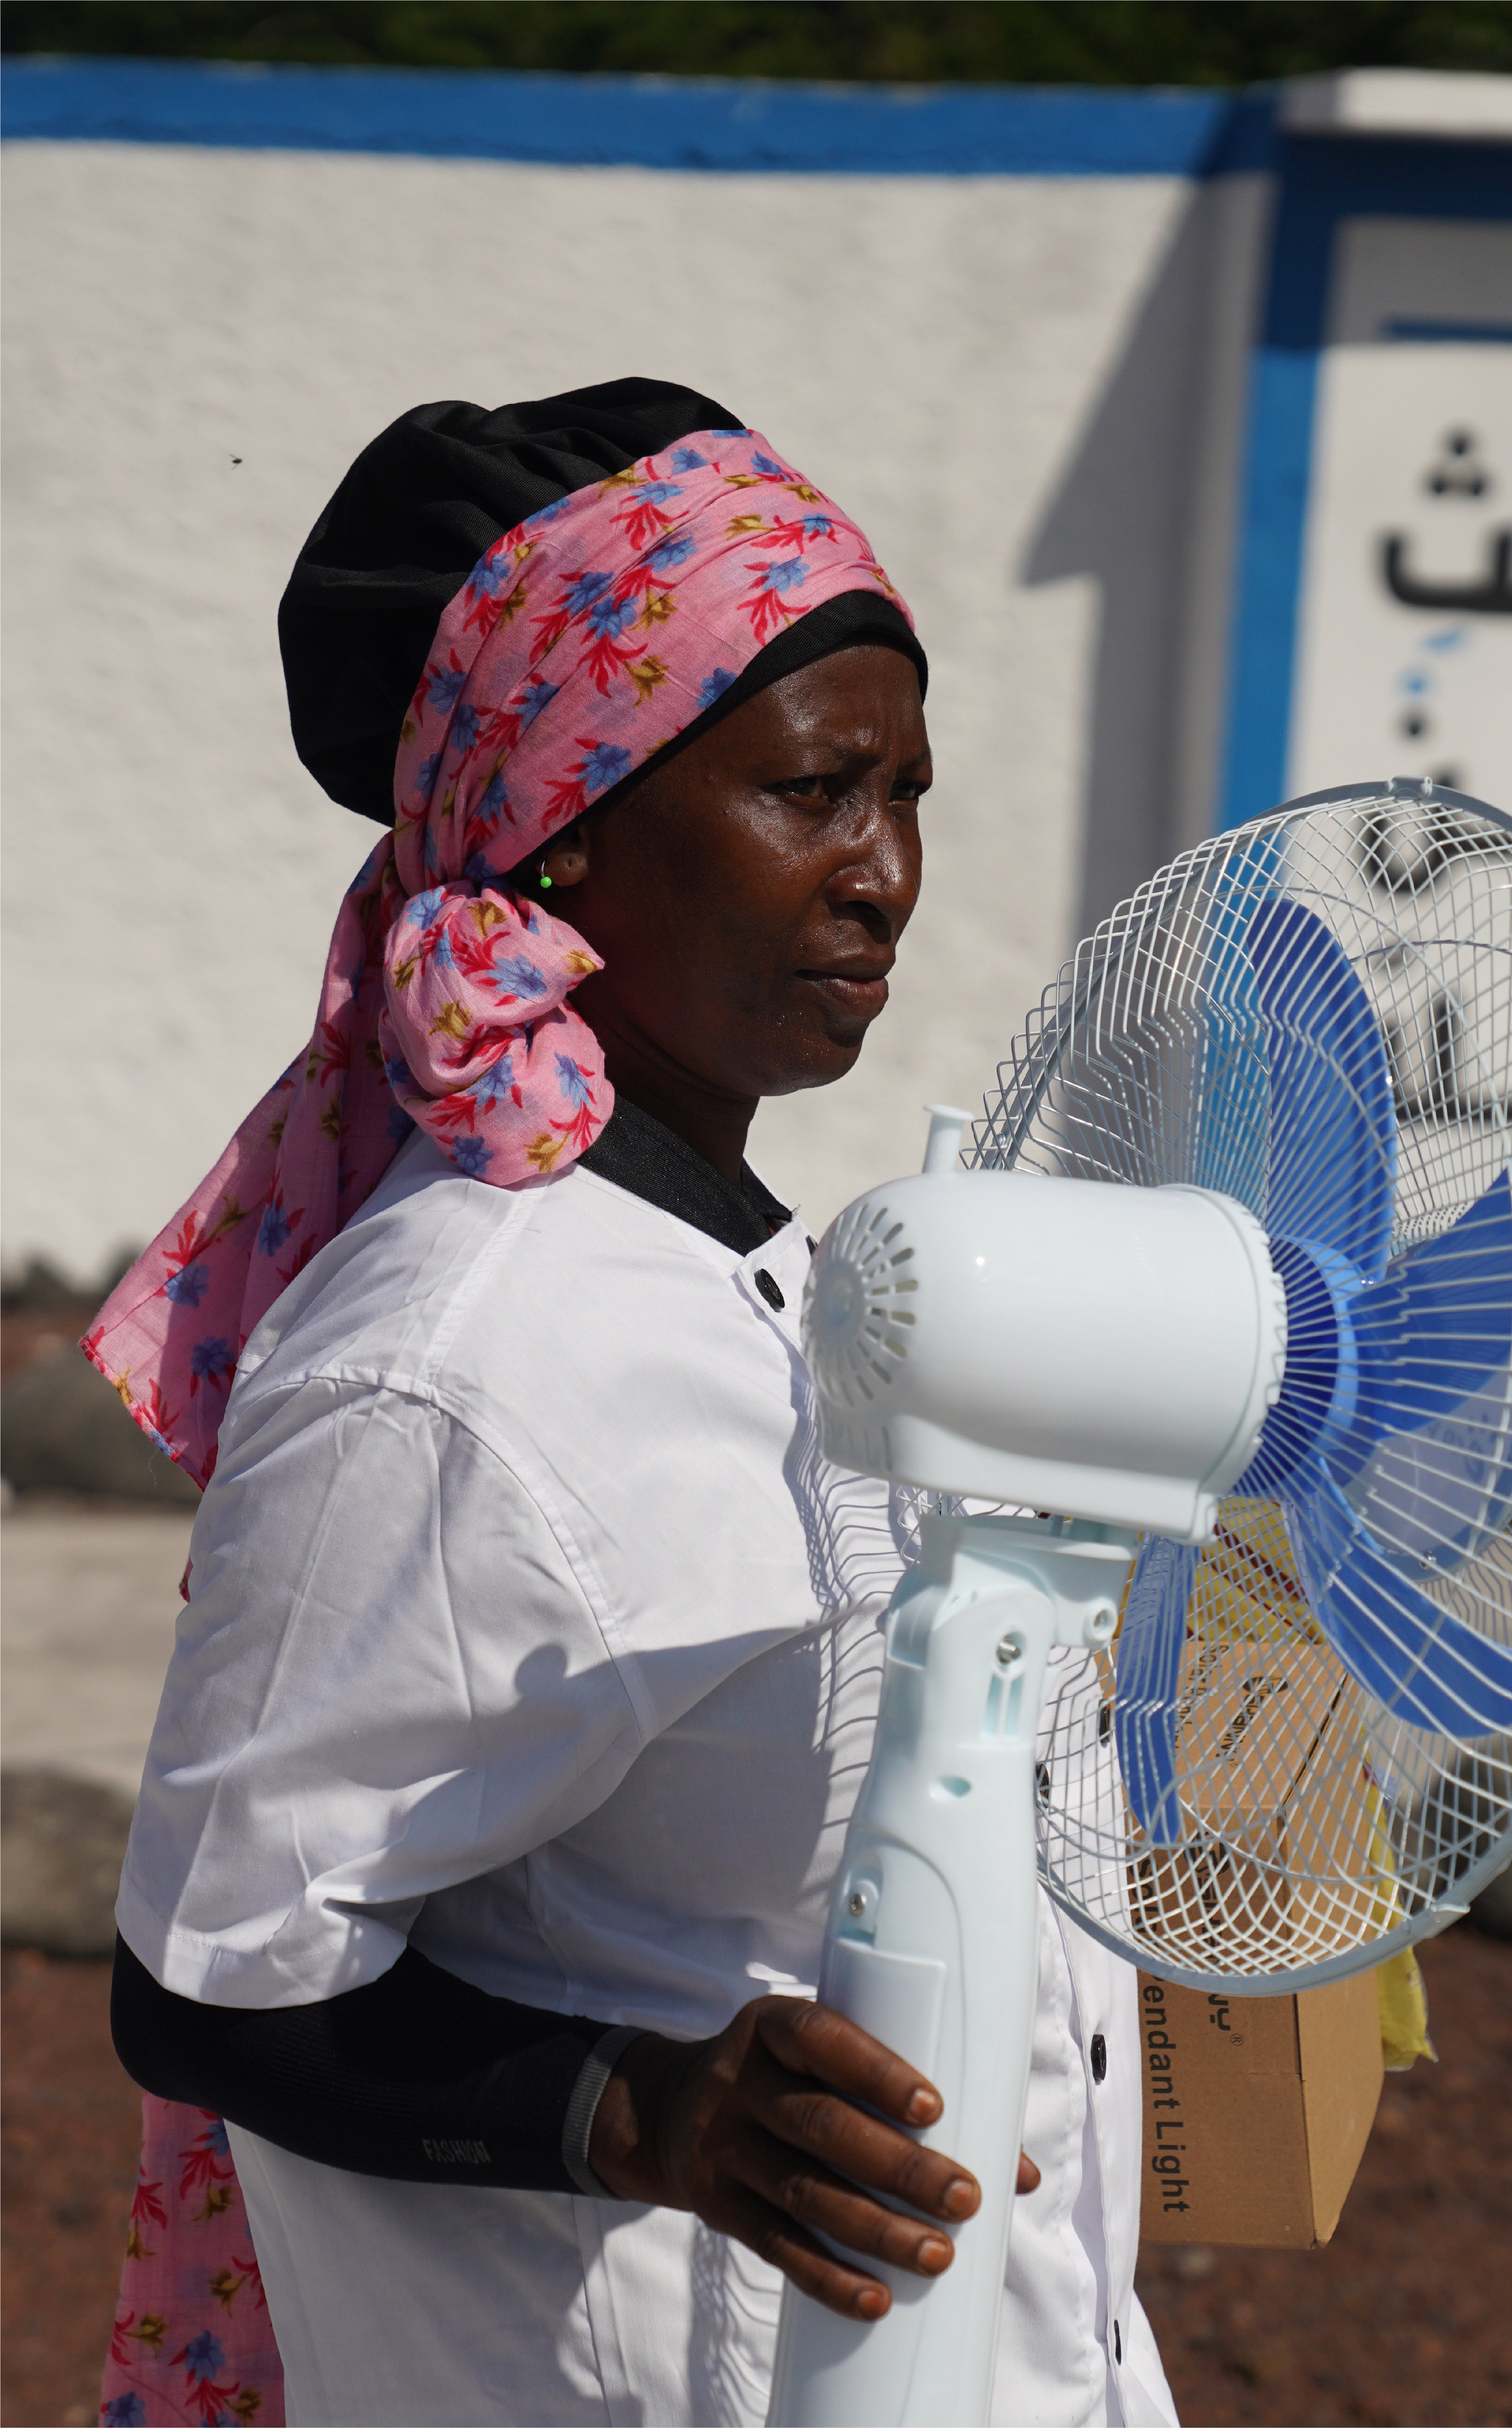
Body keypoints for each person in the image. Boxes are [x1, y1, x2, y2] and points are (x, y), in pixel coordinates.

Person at [91, 379, 1177, 2428]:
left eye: (910, 793)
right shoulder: (453, 1357)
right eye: (813, 792)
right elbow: (207, 1976)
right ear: (567, 818)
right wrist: (638, 2109)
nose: (886, 874)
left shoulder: (775, 1280)